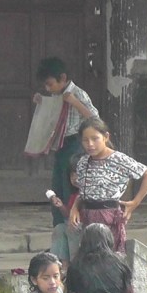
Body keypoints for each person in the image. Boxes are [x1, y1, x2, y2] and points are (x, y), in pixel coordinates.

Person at [69, 117, 147, 253]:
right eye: (85, 140)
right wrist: (74, 209)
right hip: (87, 215)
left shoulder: (118, 159)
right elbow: (83, 191)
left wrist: (135, 202)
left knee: (109, 256)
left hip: (108, 215)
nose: (90, 144)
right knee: (89, 258)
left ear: (105, 137)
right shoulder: (83, 162)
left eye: (95, 138)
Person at [34, 57, 98, 227]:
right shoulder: (55, 96)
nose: (48, 88)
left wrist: (75, 102)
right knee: (57, 188)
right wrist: (42, 102)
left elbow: (95, 119)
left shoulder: (78, 93)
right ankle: (58, 226)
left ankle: (72, 225)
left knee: (70, 187)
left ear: (62, 78)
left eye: (50, 84)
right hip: (61, 146)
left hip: (75, 145)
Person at [47, 156, 83, 273]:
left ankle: (75, 264)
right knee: (60, 228)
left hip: (83, 228)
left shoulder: (89, 193)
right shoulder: (74, 196)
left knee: (71, 228)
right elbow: (68, 215)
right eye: (72, 175)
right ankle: (61, 264)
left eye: (78, 174)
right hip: (71, 226)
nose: (75, 178)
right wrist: (61, 206)